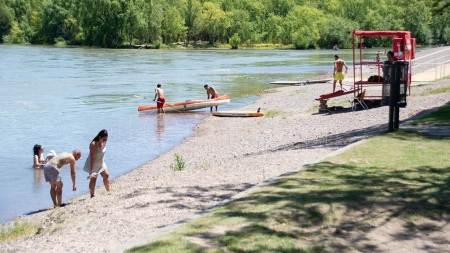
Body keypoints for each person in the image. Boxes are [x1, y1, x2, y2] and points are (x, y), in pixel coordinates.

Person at [83, 129, 110, 198]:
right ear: (99, 137)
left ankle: (108, 191)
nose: (105, 141)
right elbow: (92, 157)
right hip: (93, 163)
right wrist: (91, 169)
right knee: (93, 179)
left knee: (106, 175)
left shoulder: (103, 143)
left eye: (106, 140)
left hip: (101, 162)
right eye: (104, 139)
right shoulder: (94, 144)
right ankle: (92, 195)